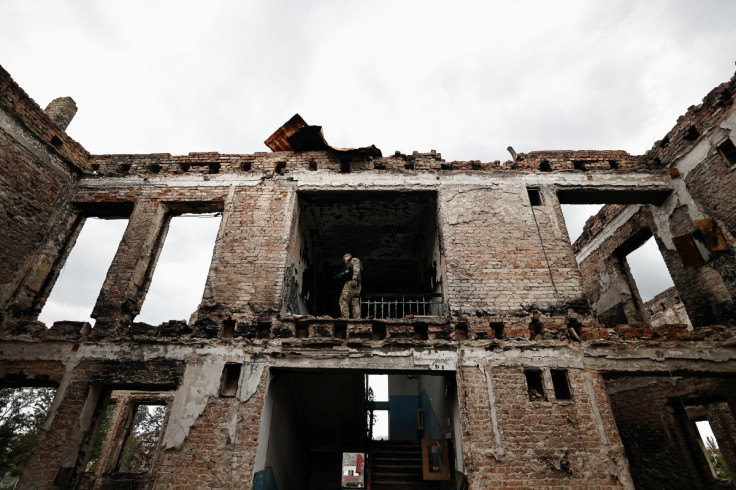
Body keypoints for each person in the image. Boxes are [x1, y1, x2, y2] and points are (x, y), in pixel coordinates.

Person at [338, 253, 362, 318]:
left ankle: (345, 318)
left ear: (348, 256)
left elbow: (356, 269)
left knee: (343, 300)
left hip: (352, 283)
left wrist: (354, 279)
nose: (344, 261)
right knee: (355, 301)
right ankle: (357, 319)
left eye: (344, 259)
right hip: (357, 285)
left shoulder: (354, 260)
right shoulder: (348, 265)